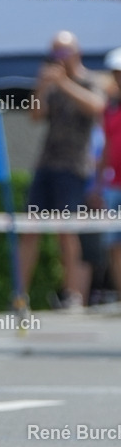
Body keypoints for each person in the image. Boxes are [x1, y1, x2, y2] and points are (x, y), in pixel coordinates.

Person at [19, 32, 107, 312]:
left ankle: (73, 295)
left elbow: (96, 106)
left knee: (66, 231)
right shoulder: (51, 84)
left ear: (75, 53)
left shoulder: (90, 80)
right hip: (46, 165)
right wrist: (42, 87)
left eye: (62, 53)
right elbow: (34, 116)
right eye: (53, 53)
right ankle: (19, 295)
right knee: (30, 229)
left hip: (74, 168)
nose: (57, 59)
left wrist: (63, 82)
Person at [94, 48, 121, 302]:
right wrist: (98, 184)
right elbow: (106, 148)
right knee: (114, 243)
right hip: (114, 186)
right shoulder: (110, 108)